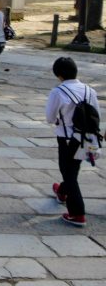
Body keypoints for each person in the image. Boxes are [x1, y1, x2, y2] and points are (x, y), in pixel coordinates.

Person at [46, 56, 100, 227]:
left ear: (59, 75)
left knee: (67, 171)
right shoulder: (89, 90)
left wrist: (58, 121)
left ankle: (77, 213)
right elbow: (97, 114)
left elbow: (50, 117)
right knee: (73, 169)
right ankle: (62, 192)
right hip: (86, 138)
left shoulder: (58, 92)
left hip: (67, 138)